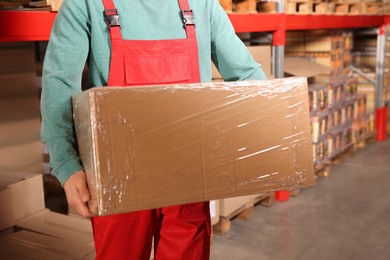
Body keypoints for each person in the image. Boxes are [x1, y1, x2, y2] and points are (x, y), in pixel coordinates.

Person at [41, 0, 267, 259]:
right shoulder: (86, 3)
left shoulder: (201, 4)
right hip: (116, 174)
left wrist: (276, 127)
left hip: (189, 174)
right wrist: (66, 165)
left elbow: (247, 74)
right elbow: (59, 82)